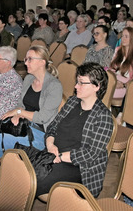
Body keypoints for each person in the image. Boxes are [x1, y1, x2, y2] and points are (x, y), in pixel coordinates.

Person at [0, 45, 63, 210]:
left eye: (29, 59)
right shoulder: (28, 79)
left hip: (39, 136)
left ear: (42, 62)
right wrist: (18, 114)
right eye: (25, 58)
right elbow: (20, 104)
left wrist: (19, 112)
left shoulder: (54, 86)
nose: (25, 62)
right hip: (22, 129)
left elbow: (43, 117)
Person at [37, 62, 113, 197]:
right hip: (54, 155)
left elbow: (90, 154)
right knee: (22, 171)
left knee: (35, 180)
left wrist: (59, 156)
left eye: (82, 83)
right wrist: (50, 145)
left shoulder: (103, 116)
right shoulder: (72, 102)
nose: (76, 86)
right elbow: (52, 126)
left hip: (80, 168)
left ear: (97, 86)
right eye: (77, 81)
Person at [109, 27, 133, 98]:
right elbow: (112, 68)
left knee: (106, 93)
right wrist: (114, 81)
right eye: (122, 36)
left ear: (132, 38)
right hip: (115, 80)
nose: (123, 39)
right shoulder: (118, 50)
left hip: (127, 84)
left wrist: (123, 84)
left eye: (126, 36)